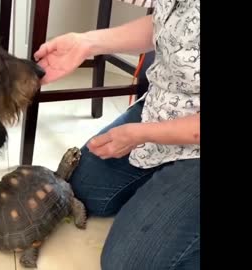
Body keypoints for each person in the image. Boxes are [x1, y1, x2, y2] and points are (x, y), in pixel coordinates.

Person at [33, 0, 200, 269]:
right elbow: (172, 23)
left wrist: (142, 134)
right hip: (166, 108)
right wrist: (87, 42)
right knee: (82, 189)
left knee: (128, 263)